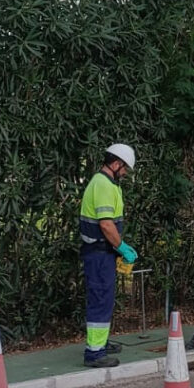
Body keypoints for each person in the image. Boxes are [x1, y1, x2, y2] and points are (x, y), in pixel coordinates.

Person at [79, 144, 139, 368]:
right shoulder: (103, 185)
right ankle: (94, 353)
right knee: (100, 300)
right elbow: (106, 224)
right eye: (125, 169)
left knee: (103, 299)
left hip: (100, 253)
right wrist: (122, 247)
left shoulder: (103, 183)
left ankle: (100, 343)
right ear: (116, 164)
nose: (125, 173)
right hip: (99, 253)